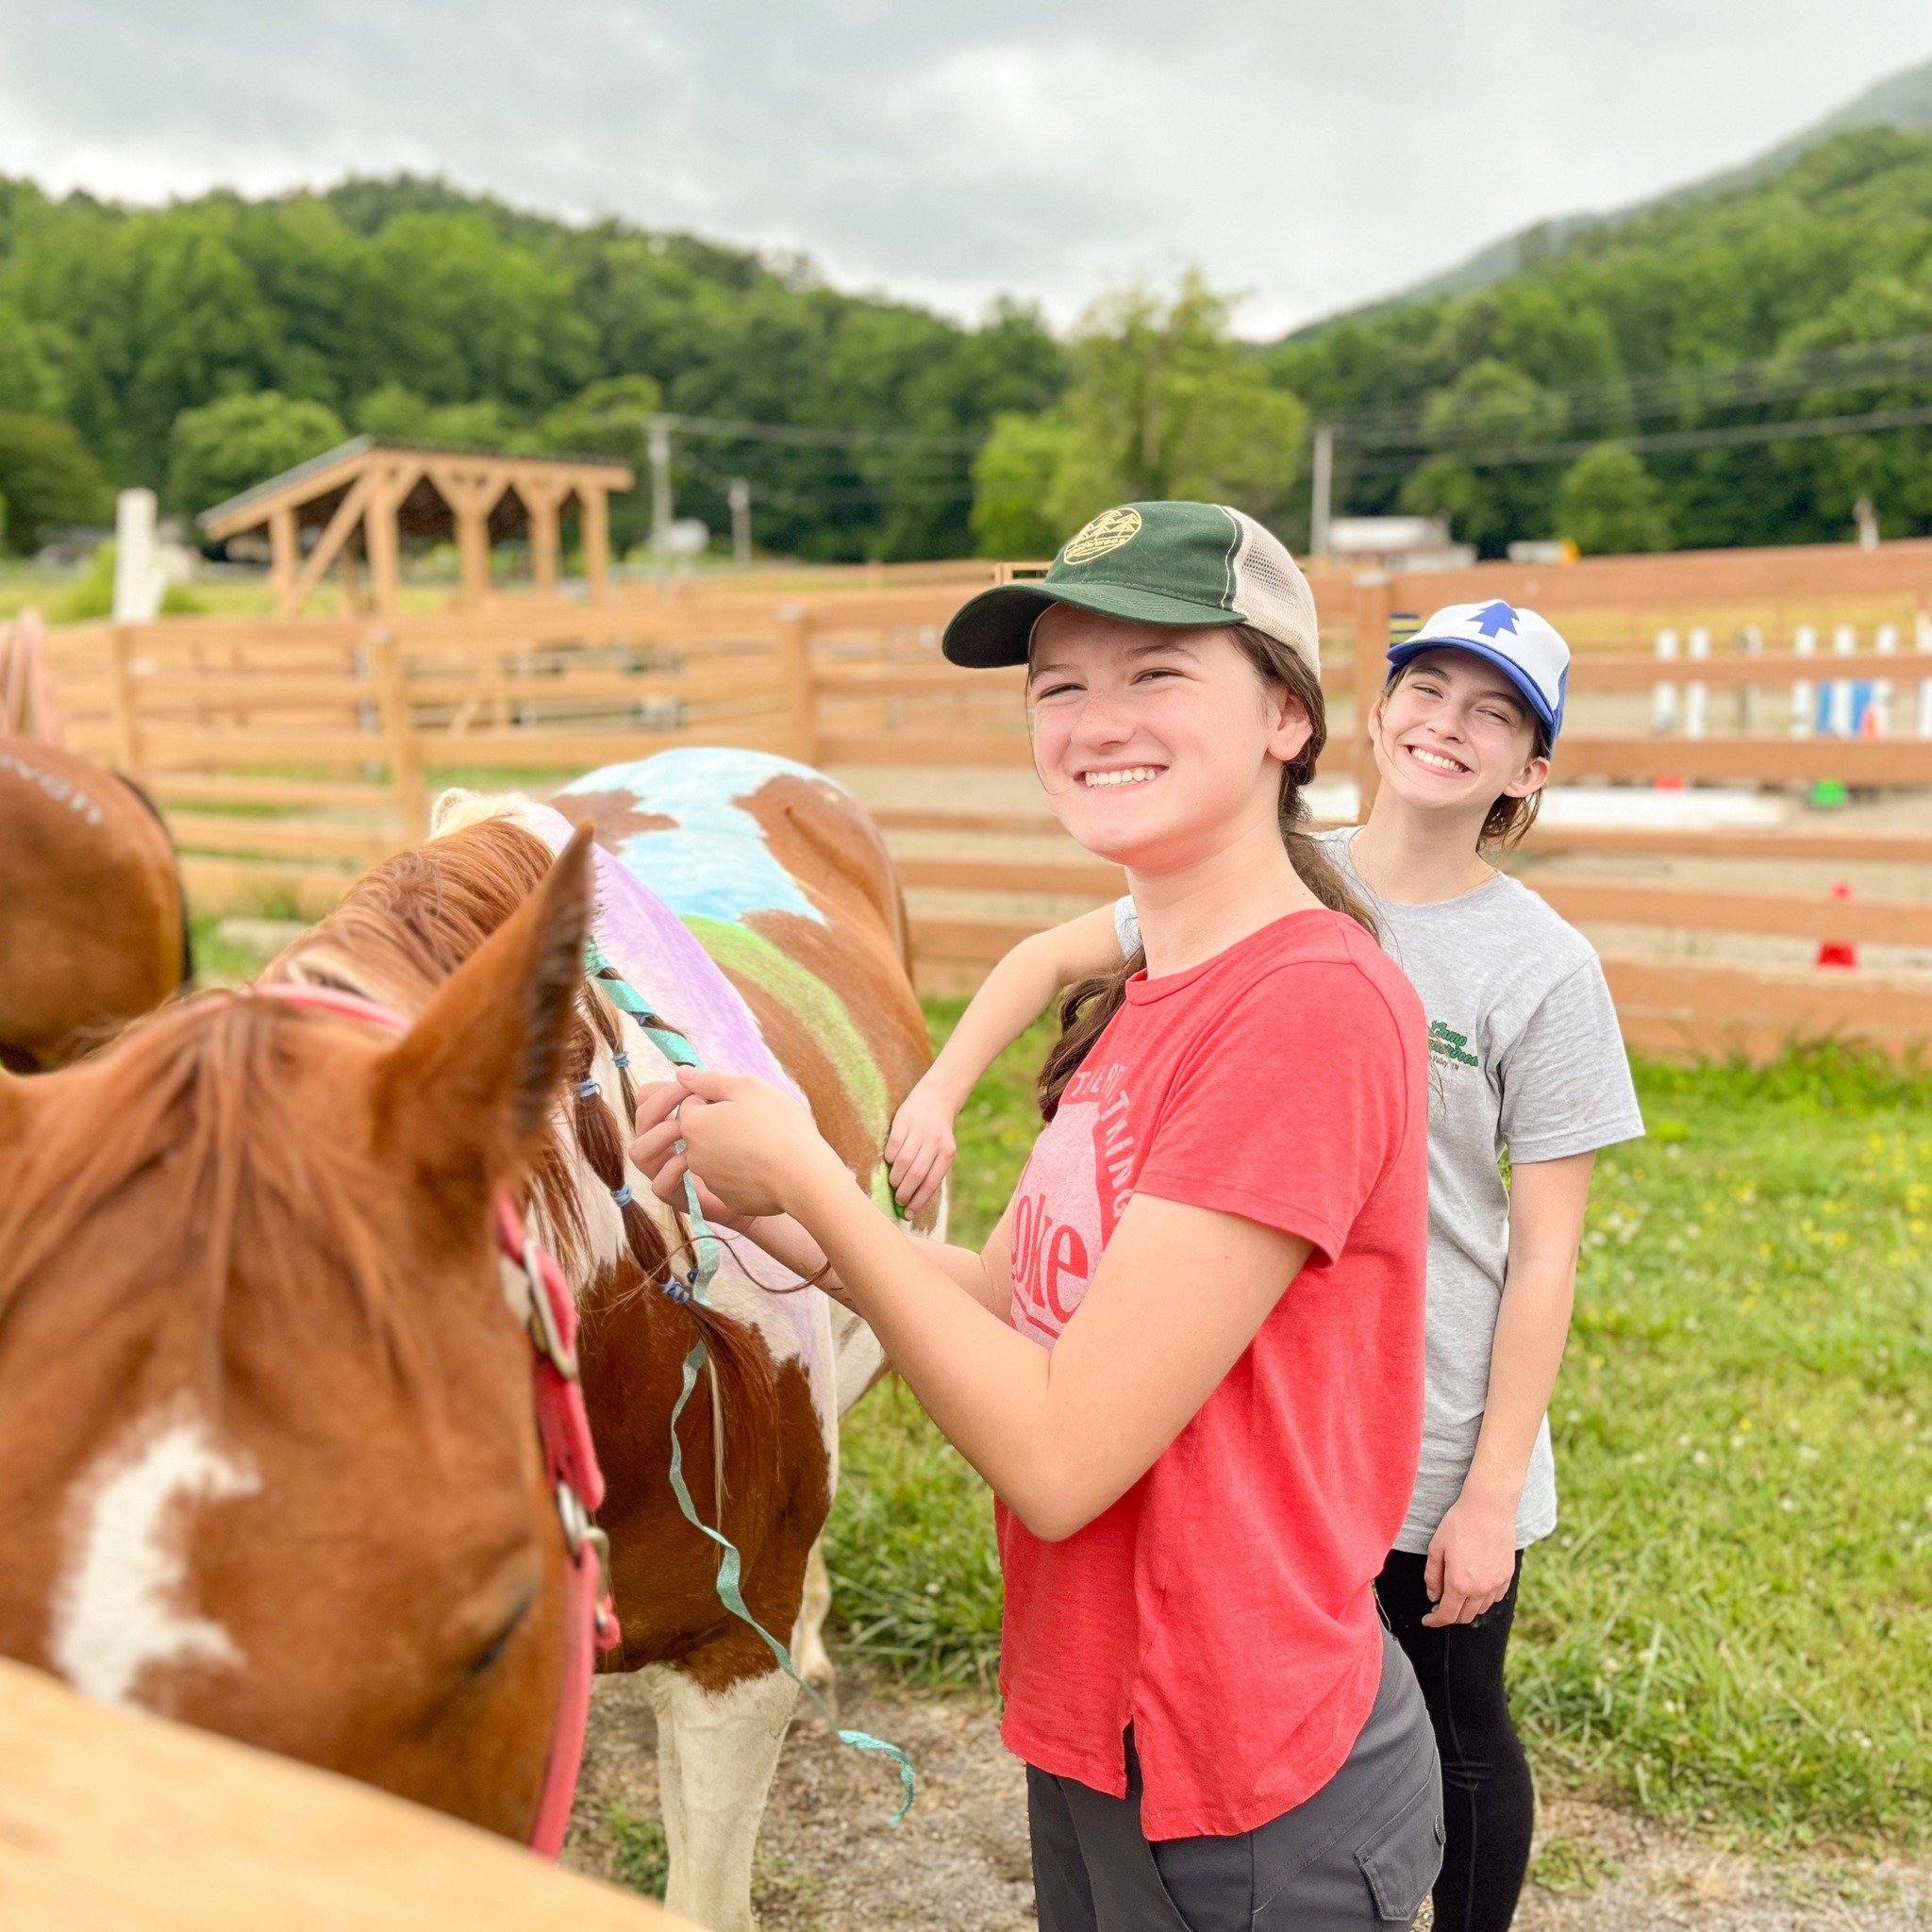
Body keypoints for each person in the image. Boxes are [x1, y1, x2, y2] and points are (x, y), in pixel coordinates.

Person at [631, 502, 1444, 1930]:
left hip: (1245, 1770)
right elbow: (1005, 1303)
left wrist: (819, 1178)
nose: (1093, 718)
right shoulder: (1143, 994)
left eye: (1155, 673)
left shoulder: (1304, 1005)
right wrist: (762, 1210)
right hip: (1101, 1720)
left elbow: (1064, 1455)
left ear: (1287, 721)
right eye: (1058, 685)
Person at [882, 595, 1645, 1932]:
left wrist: (1492, 1485)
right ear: (1372, 706)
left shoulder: (1545, 969)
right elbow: (1059, 954)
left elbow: (1542, 1259)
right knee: (1285, 1694)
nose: (1447, 725)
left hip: (1428, 1421)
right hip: (1255, 1400)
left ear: (1533, 768)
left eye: (1496, 713)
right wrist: (940, 1090)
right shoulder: (1267, 879)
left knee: (1446, 1719)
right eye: (1429, 690)